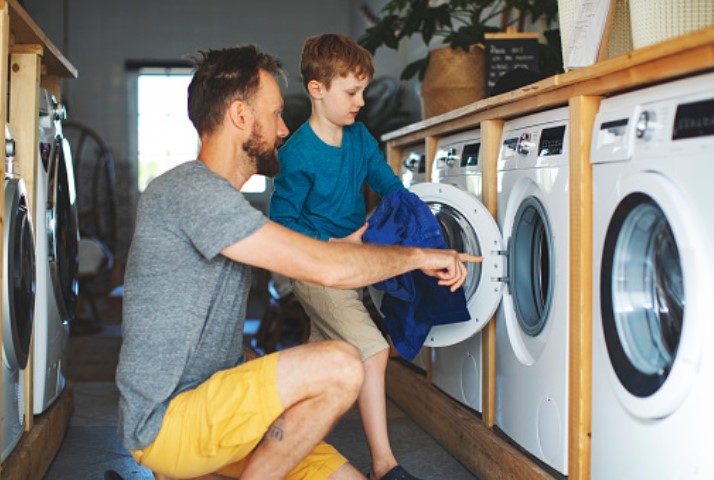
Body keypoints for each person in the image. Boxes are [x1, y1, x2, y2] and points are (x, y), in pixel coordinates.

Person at [115, 44, 479, 480]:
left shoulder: (224, 204)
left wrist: (259, 368)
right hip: (169, 423)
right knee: (343, 364)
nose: (284, 128)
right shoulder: (190, 191)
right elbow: (327, 267)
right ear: (239, 116)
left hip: (217, 410)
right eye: (274, 114)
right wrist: (419, 255)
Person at [269, 34, 428, 480]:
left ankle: (279, 441)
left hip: (351, 269)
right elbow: (281, 222)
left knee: (316, 368)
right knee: (372, 350)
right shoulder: (298, 154)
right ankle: (384, 465)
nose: (360, 101)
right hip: (315, 270)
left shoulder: (359, 138)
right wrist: (333, 246)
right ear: (317, 89)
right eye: (351, 92)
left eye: (362, 91)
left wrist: (420, 220)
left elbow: (388, 183)